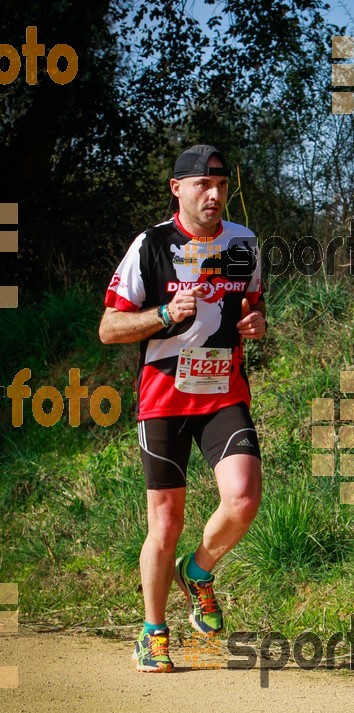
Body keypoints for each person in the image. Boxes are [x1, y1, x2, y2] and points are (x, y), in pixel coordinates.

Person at [99, 144, 267, 672]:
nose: (214, 195)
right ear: (178, 189)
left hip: (223, 392)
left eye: (220, 186)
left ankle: (198, 571)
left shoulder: (245, 243)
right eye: (202, 185)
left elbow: (252, 305)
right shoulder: (151, 245)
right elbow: (109, 327)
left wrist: (256, 324)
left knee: (242, 499)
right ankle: (153, 632)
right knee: (165, 523)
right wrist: (165, 313)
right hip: (165, 395)